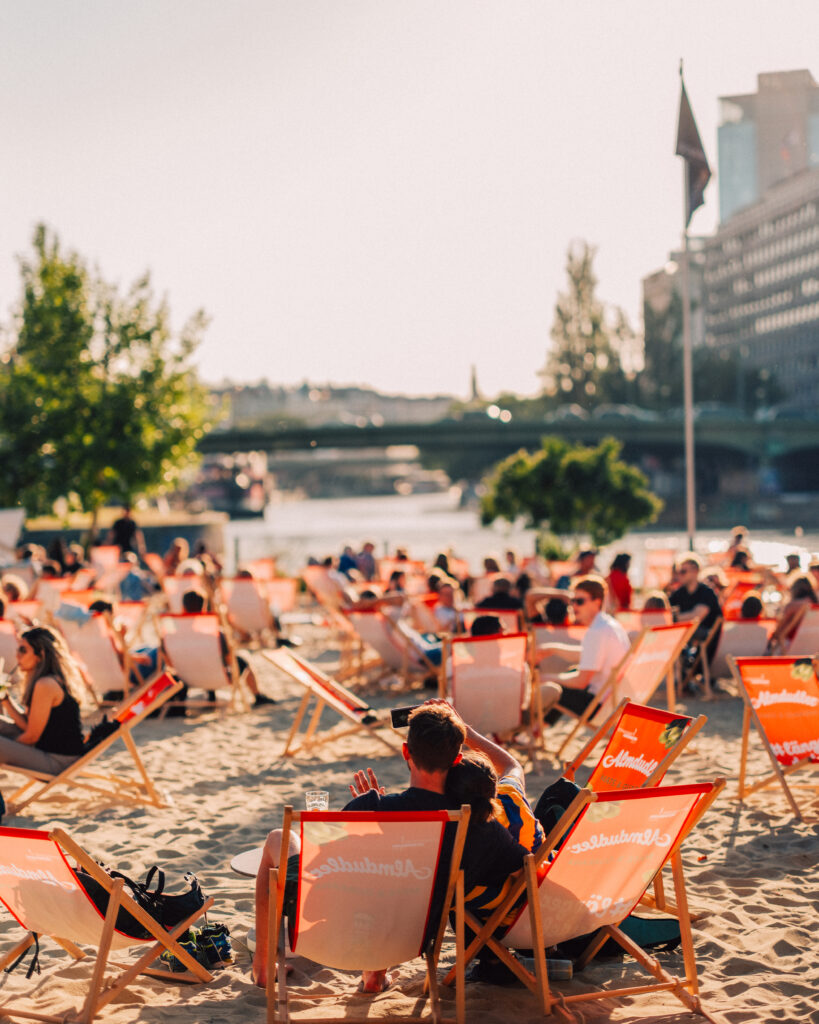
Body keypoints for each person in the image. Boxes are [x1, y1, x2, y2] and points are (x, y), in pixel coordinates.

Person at [252, 702, 469, 991]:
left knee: (278, 838)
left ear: (406, 752)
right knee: (391, 874)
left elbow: (319, 863)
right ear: (457, 760)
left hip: (338, 928)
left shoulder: (370, 806)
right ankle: (375, 973)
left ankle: (263, 968)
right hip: (412, 934)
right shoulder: (460, 819)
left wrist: (370, 819)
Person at [539, 575, 631, 717]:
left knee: (551, 689)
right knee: (570, 673)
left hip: (599, 706)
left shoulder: (596, 631)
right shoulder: (608, 624)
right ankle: (539, 728)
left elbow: (581, 682)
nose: (574, 606)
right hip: (615, 699)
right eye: (572, 601)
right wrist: (553, 649)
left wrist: (546, 678)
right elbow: (589, 654)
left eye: (580, 601)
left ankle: (531, 729)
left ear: (597, 602)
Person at [0, 627, 85, 774]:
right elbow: (29, 725)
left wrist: (8, 747)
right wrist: (5, 700)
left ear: (41, 655)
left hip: (57, 761)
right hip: (45, 750)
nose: (17, 655)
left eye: (23, 650)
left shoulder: (46, 685)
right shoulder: (46, 680)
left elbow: (31, 736)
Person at [669, 555, 722, 665]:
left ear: (695, 571)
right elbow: (666, 612)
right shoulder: (678, 593)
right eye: (678, 572)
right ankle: (681, 668)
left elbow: (697, 616)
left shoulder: (706, 592)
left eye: (683, 571)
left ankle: (683, 663)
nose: (679, 575)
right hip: (690, 635)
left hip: (710, 639)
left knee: (682, 633)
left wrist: (675, 618)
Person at [768, 574, 817, 652]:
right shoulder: (815, 606)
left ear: (794, 588)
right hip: (814, 648)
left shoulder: (793, 605)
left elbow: (779, 631)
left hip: (790, 648)